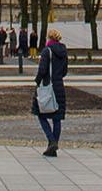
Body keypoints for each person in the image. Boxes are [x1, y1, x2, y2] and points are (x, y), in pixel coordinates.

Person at [33, 27, 68, 157]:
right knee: (57, 118)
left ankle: (51, 141)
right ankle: (53, 147)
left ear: (49, 38)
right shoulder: (63, 51)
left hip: (48, 86)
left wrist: (37, 81)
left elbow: (42, 70)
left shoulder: (47, 51)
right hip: (59, 86)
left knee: (41, 114)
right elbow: (64, 71)